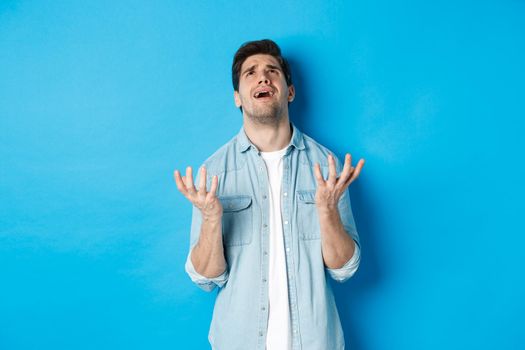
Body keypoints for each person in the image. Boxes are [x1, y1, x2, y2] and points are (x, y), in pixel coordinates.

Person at [174, 39, 365, 350]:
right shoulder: (213, 173)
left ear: (289, 91)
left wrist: (327, 212)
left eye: (272, 71)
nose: (262, 77)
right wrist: (211, 219)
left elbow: (344, 269)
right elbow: (206, 278)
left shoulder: (327, 167)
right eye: (250, 73)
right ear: (237, 97)